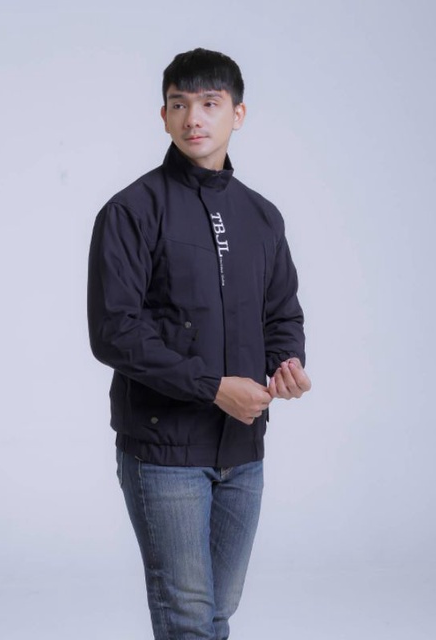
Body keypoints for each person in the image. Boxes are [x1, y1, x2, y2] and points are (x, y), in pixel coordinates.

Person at [87, 47, 311, 640]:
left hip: (243, 448)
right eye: (179, 104)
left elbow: (281, 313)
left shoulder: (262, 217)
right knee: (187, 618)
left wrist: (286, 364)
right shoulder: (132, 211)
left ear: (238, 113)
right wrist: (212, 388)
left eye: (210, 103)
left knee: (218, 612)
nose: (194, 118)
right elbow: (114, 332)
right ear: (163, 116)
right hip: (164, 451)